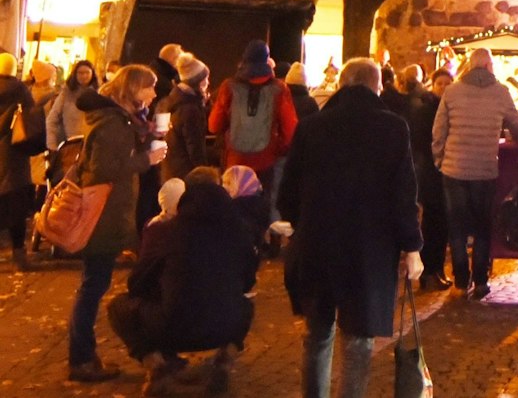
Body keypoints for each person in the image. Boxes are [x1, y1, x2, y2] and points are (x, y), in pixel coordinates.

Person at [279, 57, 423, 398]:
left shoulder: (312, 126)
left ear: (341, 85)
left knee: (317, 335)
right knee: (358, 341)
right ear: (377, 87)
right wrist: (412, 247)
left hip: (317, 245)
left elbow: (287, 194)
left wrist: (306, 224)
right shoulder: (392, 128)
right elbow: (403, 194)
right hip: (368, 252)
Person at [108, 177, 257, 395]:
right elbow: (248, 281)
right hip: (225, 325)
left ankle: (158, 367)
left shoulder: (165, 232)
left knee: (118, 307)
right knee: (246, 306)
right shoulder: (239, 234)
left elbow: (136, 282)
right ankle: (225, 361)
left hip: (172, 326)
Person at [69, 62, 166, 382]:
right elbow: (104, 170)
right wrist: (146, 160)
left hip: (108, 213)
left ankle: (83, 356)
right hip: (101, 215)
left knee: (93, 284)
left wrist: (146, 133)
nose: (154, 92)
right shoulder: (112, 122)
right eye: (149, 86)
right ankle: (81, 359)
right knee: (92, 287)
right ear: (133, 89)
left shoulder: (118, 118)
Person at [431, 46, 518, 298]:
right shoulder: (502, 92)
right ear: (488, 66)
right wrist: (517, 138)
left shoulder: (451, 92)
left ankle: (461, 281)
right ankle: (481, 280)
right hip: (485, 170)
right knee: (483, 226)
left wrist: (439, 159)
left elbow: (439, 131)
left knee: (457, 227)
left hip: (454, 169)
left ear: (470, 66)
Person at [208, 41, 298, 179]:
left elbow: (214, 126)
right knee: (263, 198)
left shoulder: (229, 86)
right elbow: (290, 130)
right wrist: (277, 147)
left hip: (234, 161)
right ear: (267, 60)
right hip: (266, 160)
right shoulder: (279, 88)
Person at [399, 64, 450, 291]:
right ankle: (429, 271)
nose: (444, 87)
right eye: (440, 83)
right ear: (433, 85)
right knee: (433, 221)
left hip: (444, 169)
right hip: (431, 171)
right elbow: (419, 140)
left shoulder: (450, 107)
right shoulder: (426, 108)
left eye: (448, 84)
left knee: (442, 222)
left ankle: (436, 269)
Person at [0, 52, 41, 272]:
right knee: (15, 206)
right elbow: (32, 117)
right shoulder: (20, 90)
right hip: (13, 153)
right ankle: (18, 253)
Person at [158, 53, 211, 183]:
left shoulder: (167, 102)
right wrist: (204, 174)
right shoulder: (190, 109)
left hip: (169, 170)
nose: (208, 82)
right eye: (205, 79)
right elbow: (195, 147)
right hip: (187, 174)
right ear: (198, 82)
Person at [46, 58, 98, 153]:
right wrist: (52, 145)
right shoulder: (66, 93)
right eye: (80, 73)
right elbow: (52, 119)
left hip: (92, 146)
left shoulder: (99, 94)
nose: (84, 76)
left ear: (92, 73)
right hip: (69, 145)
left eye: (87, 72)